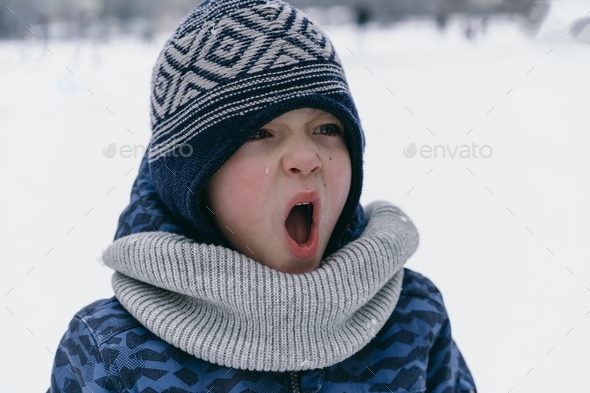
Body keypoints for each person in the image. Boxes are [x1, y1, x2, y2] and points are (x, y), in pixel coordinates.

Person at [47, 0, 477, 391]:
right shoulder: (110, 350)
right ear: (193, 180)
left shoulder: (413, 317)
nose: (306, 157)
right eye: (260, 132)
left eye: (327, 129)